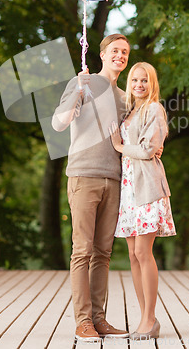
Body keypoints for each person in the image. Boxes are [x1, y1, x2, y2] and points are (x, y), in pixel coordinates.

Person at [52, 34, 131, 342]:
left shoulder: (125, 96)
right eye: (115, 50)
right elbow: (59, 123)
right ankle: (82, 321)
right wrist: (77, 91)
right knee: (82, 251)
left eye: (124, 52)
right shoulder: (82, 82)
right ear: (101, 54)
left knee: (103, 253)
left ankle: (99, 319)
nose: (120, 56)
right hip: (84, 177)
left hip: (114, 179)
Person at [109, 62, 176, 341]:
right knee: (133, 255)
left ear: (152, 83)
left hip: (146, 186)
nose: (138, 84)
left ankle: (150, 319)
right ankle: (144, 316)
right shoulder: (130, 110)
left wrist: (120, 146)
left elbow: (149, 150)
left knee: (143, 252)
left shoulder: (154, 109)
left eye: (144, 80)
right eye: (134, 80)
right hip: (128, 188)